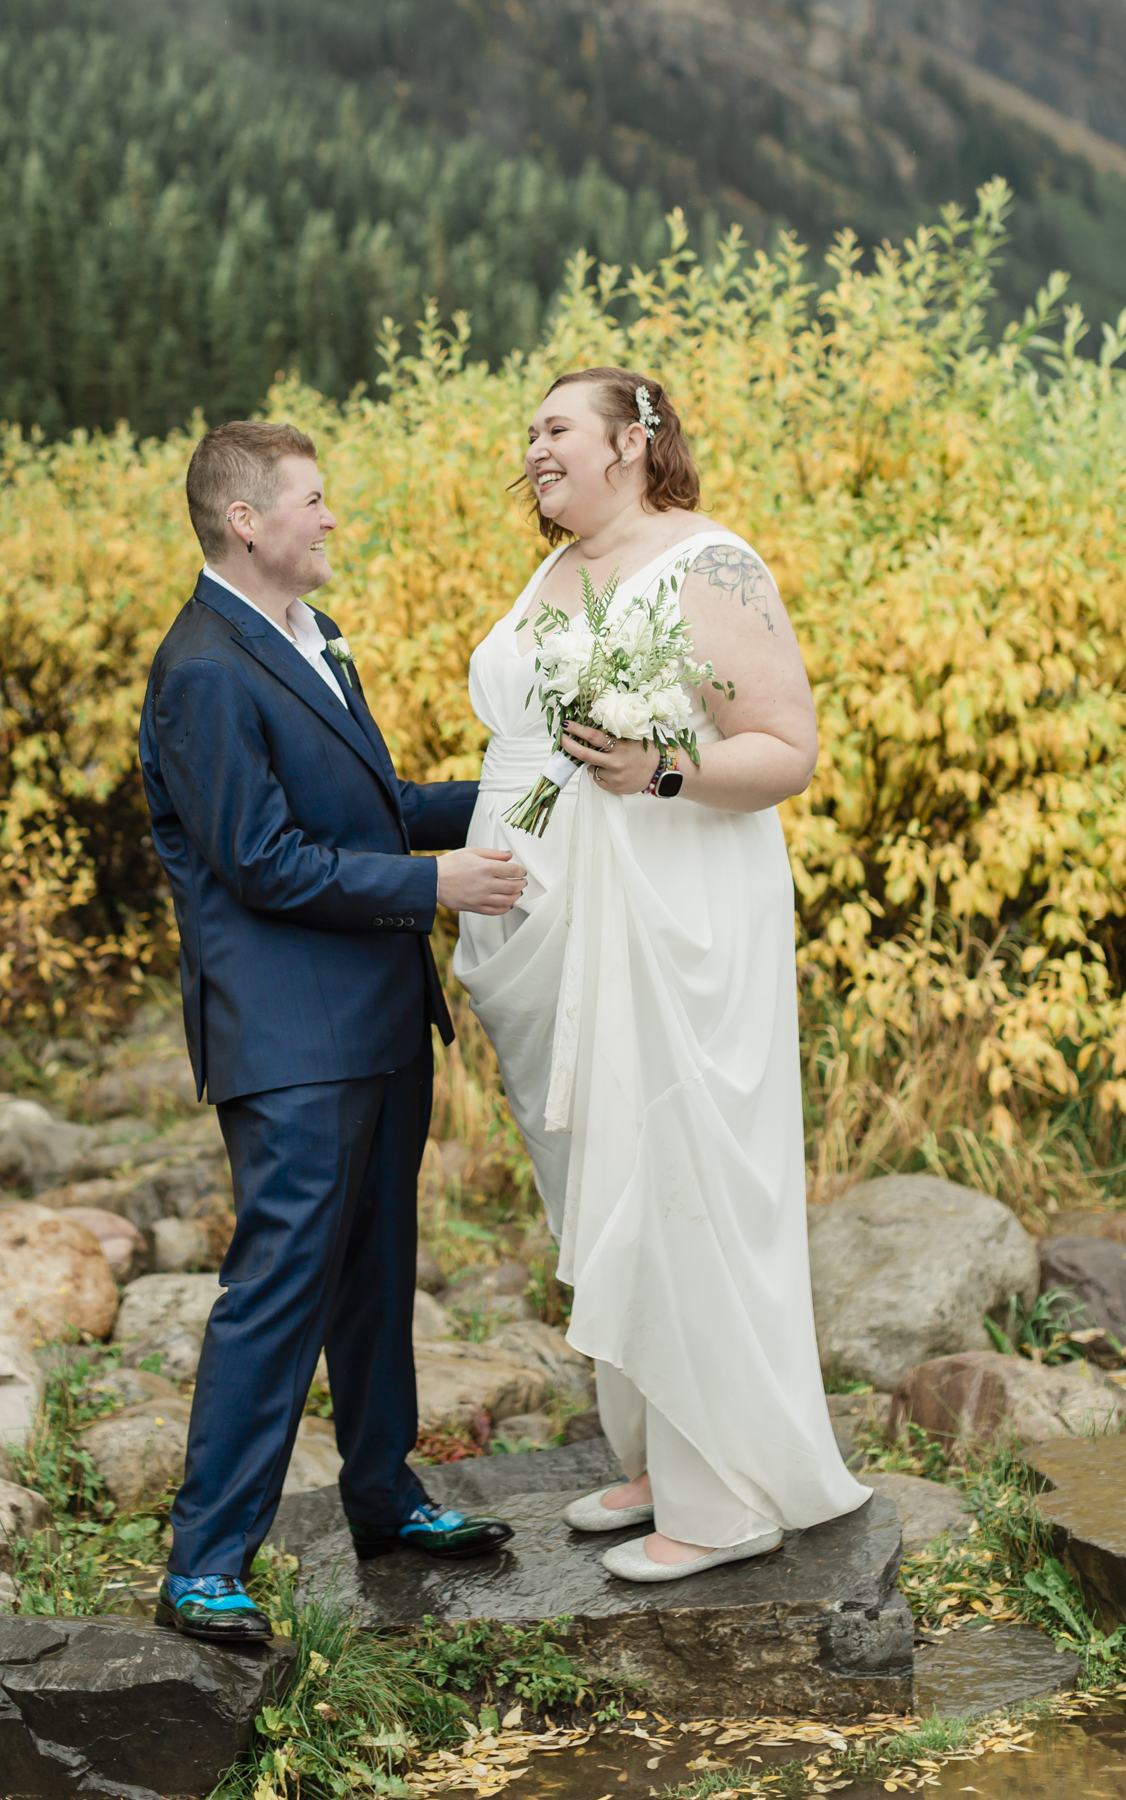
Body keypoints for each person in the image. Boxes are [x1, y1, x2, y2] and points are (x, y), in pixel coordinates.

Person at [453, 368, 870, 1583]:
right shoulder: (556, 569)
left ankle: (726, 1497)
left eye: (555, 430)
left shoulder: (711, 563)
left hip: (671, 912)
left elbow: (785, 749)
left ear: (632, 441)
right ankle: (650, 1460)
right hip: (546, 925)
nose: (531, 449)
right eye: (527, 431)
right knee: (596, 1181)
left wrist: (665, 769)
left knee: (671, 1167)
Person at [138, 420, 527, 1642]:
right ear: (246, 521)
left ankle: (383, 1493)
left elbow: (378, 805)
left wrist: (532, 787)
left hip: (374, 1018)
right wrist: (432, 890)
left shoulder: (314, 642)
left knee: (373, 1273)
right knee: (277, 1286)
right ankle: (205, 1560)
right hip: (290, 1034)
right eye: (313, 500)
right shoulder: (201, 668)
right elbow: (257, 861)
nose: (331, 518)